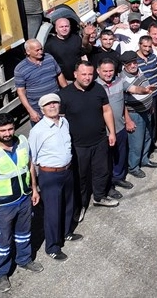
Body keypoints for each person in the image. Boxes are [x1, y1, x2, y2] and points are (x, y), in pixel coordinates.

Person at [0, 113, 42, 292]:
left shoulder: (22, 141)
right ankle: (2, 273)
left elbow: (30, 165)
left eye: (10, 129)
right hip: (2, 206)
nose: (7, 133)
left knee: (24, 233)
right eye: (2, 130)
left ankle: (24, 260)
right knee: (3, 241)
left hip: (24, 198)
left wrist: (34, 189)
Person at [60, 61, 119, 216]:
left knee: (102, 171)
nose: (87, 78)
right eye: (84, 74)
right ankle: (80, 206)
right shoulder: (64, 95)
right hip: (78, 145)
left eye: (90, 74)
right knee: (81, 177)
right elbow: (60, 122)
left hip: (99, 141)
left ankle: (99, 197)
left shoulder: (98, 89)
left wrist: (111, 132)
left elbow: (106, 110)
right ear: (75, 75)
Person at [29, 93, 80, 264]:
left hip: (67, 170)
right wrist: (34, 187)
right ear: (42, 110)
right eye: (48, 105)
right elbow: (31, 160)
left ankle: (66, 232)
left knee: (68, 204)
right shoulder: (37, 131)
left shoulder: (64, 122)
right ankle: (52, 246)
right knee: (52, 211)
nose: (52, 107)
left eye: (55, 104)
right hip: (49, 174)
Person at [95, 58, 129, 200]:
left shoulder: (119, 81)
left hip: (120, 127)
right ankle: (108, 187)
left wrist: (144, 90)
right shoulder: (94, 86)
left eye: (111, 71)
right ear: (98, 71)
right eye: (105, 71)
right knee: (106, 162)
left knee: (120, 155)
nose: (109, 74)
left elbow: (126, 97)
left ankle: (118, 177)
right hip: (105, 132)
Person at [121, 51, 157, 178]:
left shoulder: (139, 70)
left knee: (147, 136)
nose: (133, 65)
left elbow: (146, 85)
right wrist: (146, 91)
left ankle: (144, 159)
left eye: (134, 62)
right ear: (124, 65)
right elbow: (135, 89)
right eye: (129, 64)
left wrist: (151, 105)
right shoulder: (123, 78)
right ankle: (133, 167)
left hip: (147, 110)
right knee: (136, 143)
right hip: (135, 114)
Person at [15, 39, 67, 124]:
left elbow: (59, 74)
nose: (41, 52)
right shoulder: (20, 69)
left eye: (41, 49)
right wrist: (31, 111)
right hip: (38, 110)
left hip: (56, 105)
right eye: (37, 50)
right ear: (28, 52)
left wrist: (67, 93)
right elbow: (21, 92)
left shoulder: (49, 58)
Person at [45, 17, 94, 82]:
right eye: (61, 27)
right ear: (56, 29)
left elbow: (85, 52)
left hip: (79, 78)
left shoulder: (76, 38)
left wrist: (86, 36)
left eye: (66, 26)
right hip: (64, 80)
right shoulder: (50, 44)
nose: (64, 29)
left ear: (70, 27)